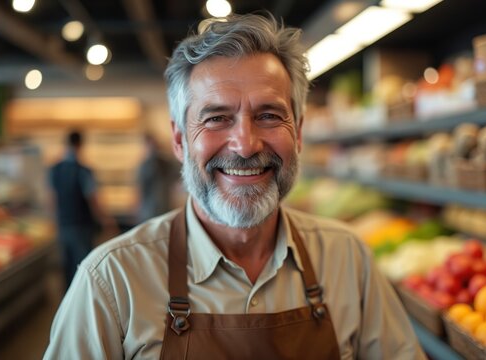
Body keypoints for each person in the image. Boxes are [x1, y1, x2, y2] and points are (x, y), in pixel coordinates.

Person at [44, 14, 426, 359]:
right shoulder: (112, 280)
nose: (245, 144)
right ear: (179, 141)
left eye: (269, 115)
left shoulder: (348, 259)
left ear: (299, 134)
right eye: (216, 118)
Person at [48, 130, 116, 289]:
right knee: (82, 267)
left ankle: (66, 302)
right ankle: (80, 300)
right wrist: (106, 219)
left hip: (63, 224)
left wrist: (54, 220)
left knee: (65, 266)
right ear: (80, 145)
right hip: (81, 225)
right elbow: (93, 198)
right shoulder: (84, 170)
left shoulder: (54, 169)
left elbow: (51, 199)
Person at [136, 133, 176, 223]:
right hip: (160, 206)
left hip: (151, 209)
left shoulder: (147, 164)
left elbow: (140, 188)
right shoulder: (163, 162)